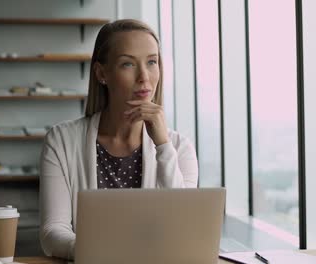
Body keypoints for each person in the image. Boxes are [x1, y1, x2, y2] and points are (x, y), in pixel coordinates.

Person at [39, 19, 198, 260]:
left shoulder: (178, 148)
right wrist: (98, 252)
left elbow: (183, 231)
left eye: (152, 62)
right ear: (102, 73)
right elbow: (52, 232)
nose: (144, 77)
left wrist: (163, 146)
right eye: (127, 64)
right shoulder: (61, 141)